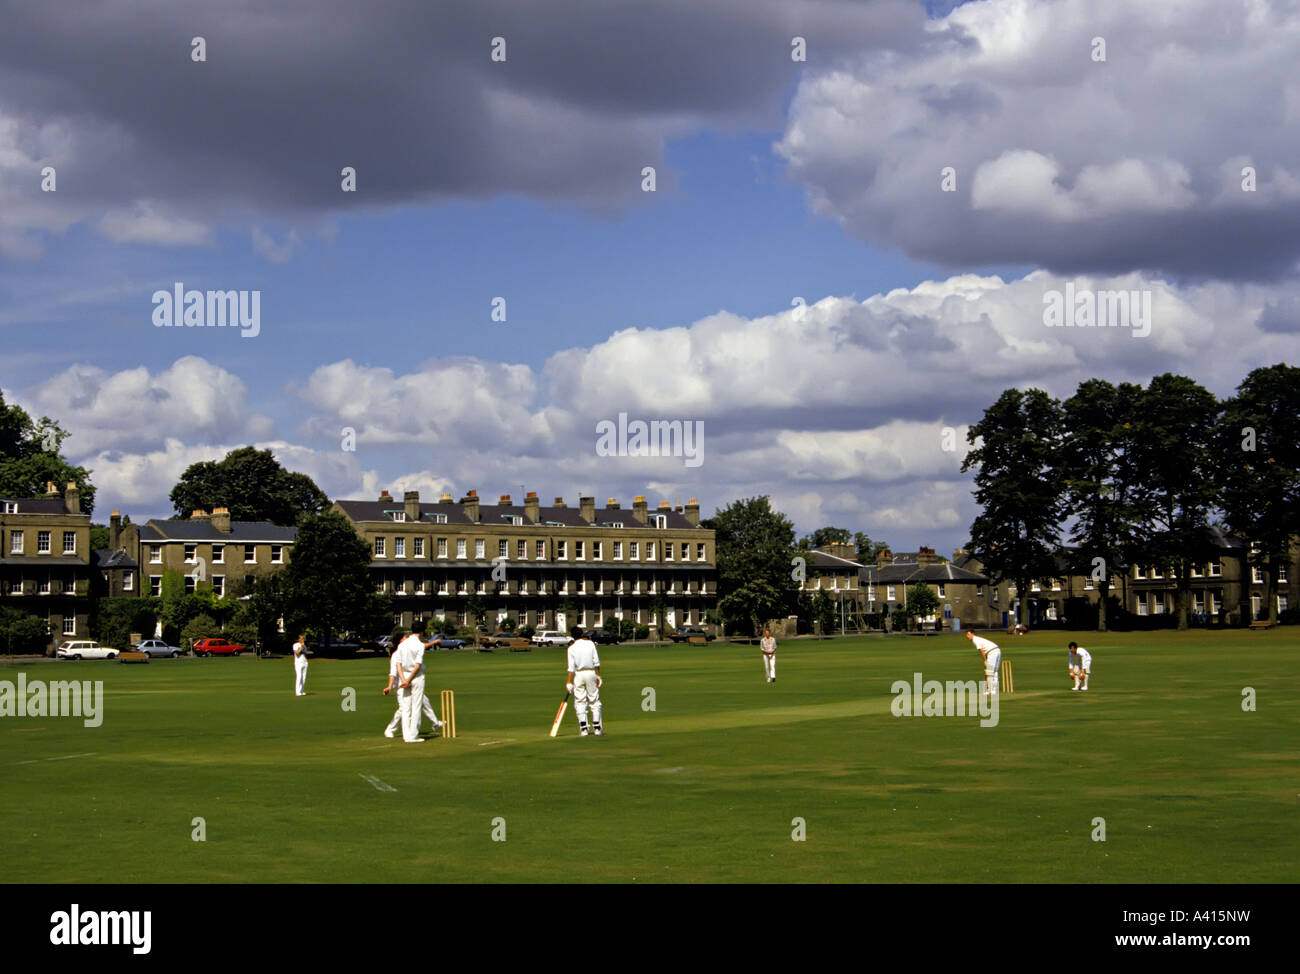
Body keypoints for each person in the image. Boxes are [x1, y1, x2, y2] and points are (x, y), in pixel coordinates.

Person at [383, 628, 444, 737]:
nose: (407, 638)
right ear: (401, 641)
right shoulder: (396, 654)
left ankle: (435, 723)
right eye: (405, 637)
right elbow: (392, 673)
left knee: (424, 702)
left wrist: (434, 642)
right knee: (404, 709)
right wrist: (389, 686)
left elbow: (420, 646)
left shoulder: (408, 647)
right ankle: (390, 729)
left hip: (411, 681)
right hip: (402, 685)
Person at [395, 620, 439, 743]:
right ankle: (413, 735)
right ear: (422, 631)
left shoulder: (402, 644)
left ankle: (406, 736)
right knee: (416, 706)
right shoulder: (419, 645)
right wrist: (408, 680)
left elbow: (398, 663)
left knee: (406, 707)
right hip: (416, 677)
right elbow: (418, 665)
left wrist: (403, 679)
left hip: (404, 675)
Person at [565, 626, 603, 736]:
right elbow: (596, 662)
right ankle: (597, 728)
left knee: (580, 701)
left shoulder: (571, 648)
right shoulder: (590, 644)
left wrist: (569, 682)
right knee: (594, 700)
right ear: (582, 634)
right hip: (591, 673)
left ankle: (584, 729)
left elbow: (571, 668)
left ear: (572, 636)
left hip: (579, 675)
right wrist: (598, 676)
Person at [965, 629, 1001, 698]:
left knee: (989, 672)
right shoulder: (978, 639)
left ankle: (990, 691)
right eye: (967, 635)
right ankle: (994, 690)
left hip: (992, 652)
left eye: (968, 634)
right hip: (997, 650)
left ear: (973, 634)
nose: (967, 636)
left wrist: (985, 660)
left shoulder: (975, 640)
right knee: (995, 671)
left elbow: (981, 651)